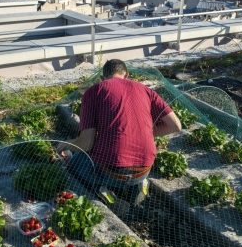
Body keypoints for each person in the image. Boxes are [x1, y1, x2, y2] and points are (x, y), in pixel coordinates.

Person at [56, 59, 182, 206]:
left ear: (102, 78)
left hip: (112, 172)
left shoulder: (94, 91)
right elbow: (175, 125)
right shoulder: (146, 90)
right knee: (128, 168)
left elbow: (86, 143)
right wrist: (140, 133)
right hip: (144, 169)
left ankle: (102, 191)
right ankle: (138, 185)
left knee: (75, 163)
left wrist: (66, 144)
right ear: (126, 75)